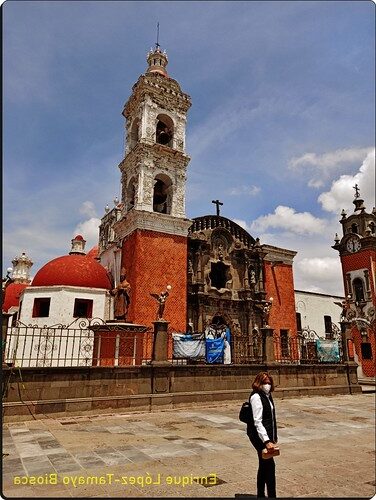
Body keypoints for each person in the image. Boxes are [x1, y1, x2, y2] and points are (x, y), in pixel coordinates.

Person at [247, 372, 278, 498]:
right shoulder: (256, 397)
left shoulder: (267, 395)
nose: (267, 385)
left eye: (269, 382)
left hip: (265, 435)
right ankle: (272, 496)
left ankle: (260, 494)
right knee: (270, 467)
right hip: (258, 436)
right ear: (259, 383)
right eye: (265, 382)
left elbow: (270, 418)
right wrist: (266, 441)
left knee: (264, 464)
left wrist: (273, 437)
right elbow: (258, 422)